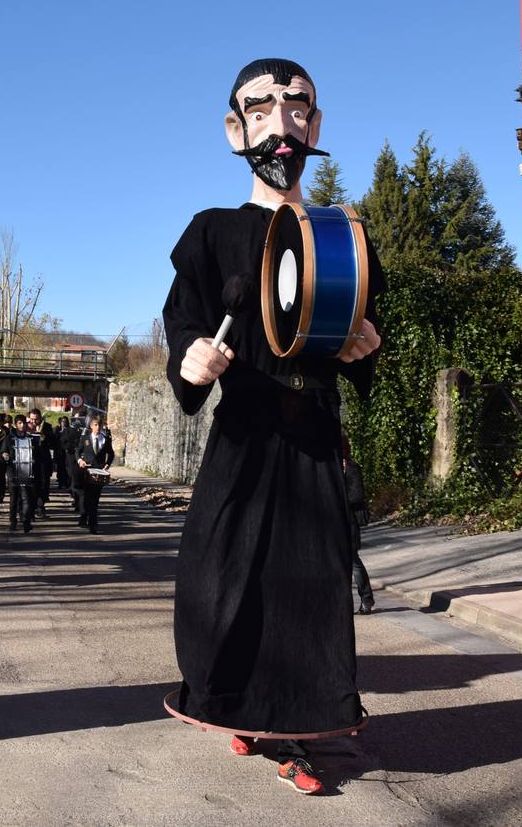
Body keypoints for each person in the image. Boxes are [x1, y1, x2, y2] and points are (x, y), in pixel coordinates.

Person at [162, 59, 385, 794]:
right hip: (244, 436)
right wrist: (191, 360)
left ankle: (295, 732)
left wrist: (363, 349)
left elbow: (364, 329)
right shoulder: (210, 233)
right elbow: (184, 323)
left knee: (305, 591)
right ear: (236, 130)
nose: (280, 122)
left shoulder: (341, 234)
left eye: (297, 108)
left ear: (315, 127)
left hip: (313, 438)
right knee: (224, 582)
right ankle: (239, 707)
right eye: (261, 109)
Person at [342, 435, 375, 615]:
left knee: (354, 562)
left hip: (348, 522)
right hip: (334, 523)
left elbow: (357, 496)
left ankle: (366, 599)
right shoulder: (329, 470)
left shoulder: (352, 468)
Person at [74, 414, 115, 533]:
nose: (98, 427)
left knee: (95, 500)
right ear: (91, 426)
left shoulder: (105, 439)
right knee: (86, 498)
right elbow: (78, 451)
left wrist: (108, 464)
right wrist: (80, 460)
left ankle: (93, 524)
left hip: (99, 473)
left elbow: (111, 454)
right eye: (95, 425)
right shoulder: (85, 438)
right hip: (86, 471)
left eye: (100, 425)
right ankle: (84, 516)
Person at [1, 416, 41, 533]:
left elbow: (38, 455)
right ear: (15, 424)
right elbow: (2, 453)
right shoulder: (9, 439)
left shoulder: (31, 438)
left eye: (23, 423)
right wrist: (4, 456)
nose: (22, 425)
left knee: (27, 499)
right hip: (13, 473)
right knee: (14, 500)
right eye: (19, 423)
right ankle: (13, 522)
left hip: (27, 473)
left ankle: (26, 522)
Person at [26, 408, 56, 517]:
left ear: (40, 418)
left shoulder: (47, 427)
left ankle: (41, 505)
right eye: (32, 419)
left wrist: (45, 437)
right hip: (31, 460)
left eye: (36, 419)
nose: (34, 422)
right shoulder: (26, 427)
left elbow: (53, 443)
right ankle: (32, 507)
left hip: (43, 460)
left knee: (44, 485)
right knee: (32, 485)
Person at [54, 415, 71, 488]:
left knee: (66, 469)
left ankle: (67, 483)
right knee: (60, 468)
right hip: (59, 452)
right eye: (62, 421)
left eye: (65, 422)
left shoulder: (70, 430)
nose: (64, 423)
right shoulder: (57, 430)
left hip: (67, 453)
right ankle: (61, 483)